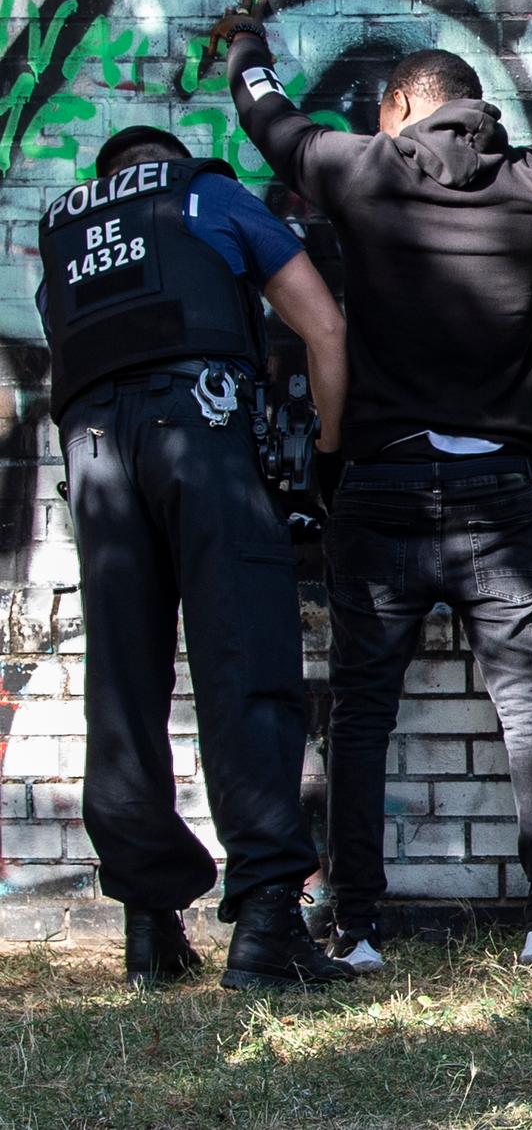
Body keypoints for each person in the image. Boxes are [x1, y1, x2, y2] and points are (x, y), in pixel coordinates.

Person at [215, 0, 532, 972]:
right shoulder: (531, 181)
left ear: (396, 110)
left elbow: (267, 117)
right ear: (473, 108)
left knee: (362, 711)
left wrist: (247, 44)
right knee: (529, 707)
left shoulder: (362, 168)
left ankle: (358, 927)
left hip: (382, 486)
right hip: (499, 494)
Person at [41, 125, 350, 990]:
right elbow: (323, 328)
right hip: (202, 435)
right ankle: (266, 929)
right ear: (168, 163)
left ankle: (151, 929)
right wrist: (325, 454)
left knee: (124, 687)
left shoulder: (64, 233)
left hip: (95, 455)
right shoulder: (206, 194)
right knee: (243, 666)